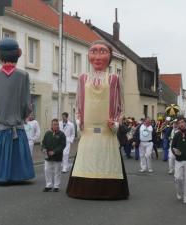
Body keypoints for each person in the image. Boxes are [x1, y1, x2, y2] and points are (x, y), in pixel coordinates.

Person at [66, 40, 129, 200]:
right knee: (87, 157)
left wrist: (116, 123)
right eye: (94, 51)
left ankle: (110, 190)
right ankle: (83, 189)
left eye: (103, 51)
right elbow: (78, 103)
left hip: (107, 132)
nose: (98, 56)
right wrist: (78, 119)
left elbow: (120, 104)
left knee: (106, 158)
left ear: (110, 56)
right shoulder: (82, 78)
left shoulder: (115, 78)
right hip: (88, 132)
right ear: (88, 56)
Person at [0, 38, 35, 182]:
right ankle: (18, 176)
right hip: (18, 126)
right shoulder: (23, 75)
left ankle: (1, 175)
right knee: (19, 154)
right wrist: (24, 115)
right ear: (18, 54)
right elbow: (27, 102)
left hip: (1, 126)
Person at [42, 119, 66, 192]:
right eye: (55, 124)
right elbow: (43, 143)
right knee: (47, 170)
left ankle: (56, 186)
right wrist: (43, 148)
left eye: (57, 124)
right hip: (48, 156)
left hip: (57, 156)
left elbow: (63, 145)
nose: (56, 126)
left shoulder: (61, 134)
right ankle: (48, 185)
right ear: (51, 125)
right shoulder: (47, 133)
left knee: (57, 171)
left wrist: (54, 151)